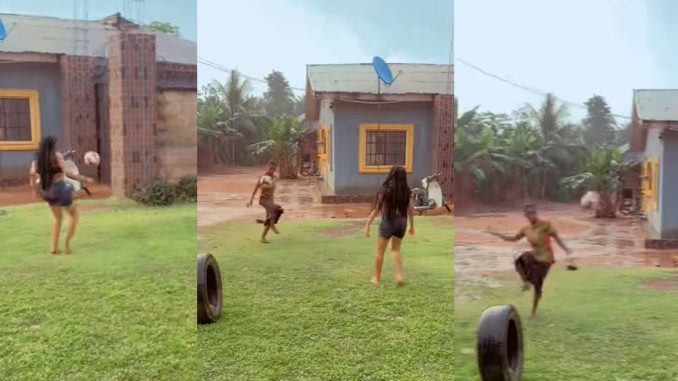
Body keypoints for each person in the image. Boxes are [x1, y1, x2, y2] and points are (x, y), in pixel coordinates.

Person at [496, 203, 572, 319]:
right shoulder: (526, 229)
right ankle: (526, 282)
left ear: (536, 213)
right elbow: (515, 238)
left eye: (533, 213)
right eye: (529, 213)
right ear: (525, 215)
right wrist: (501, 236)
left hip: (546, 259)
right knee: (519, 259)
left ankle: (534, 311)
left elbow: (556, 237)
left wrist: (566, 249)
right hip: (535, 257)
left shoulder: (545, 225)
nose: (531, 215)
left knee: (538, 285)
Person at [28, 136, 94, 255]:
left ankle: (54, 248)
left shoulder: (37, 159)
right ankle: (67, 246)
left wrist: (35, 191)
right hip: (60, 189)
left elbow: (32, 175)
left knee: (57, 220)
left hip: (47, 192)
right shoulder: (57, 156)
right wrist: (84, 178)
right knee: (74, 215)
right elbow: (67, 173)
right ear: (52, 146)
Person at [364, 165, 415, 286]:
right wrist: (411, 226)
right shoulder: (406, 191)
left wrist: (367, 224)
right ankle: (399, 275)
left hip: (388, 222)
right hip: (402, 222)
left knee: (380, 252)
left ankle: (376, 278)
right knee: (396, 250)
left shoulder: (385, 190)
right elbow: (410, 210)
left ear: (391, 175)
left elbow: (377, 209)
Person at [246, 160, 284, 243]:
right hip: (263, 200)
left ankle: (263, 238)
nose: (272, 170)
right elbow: (255, 189)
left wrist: (272, 200)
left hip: (270, 200)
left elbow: (272, 191)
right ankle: (272, 225)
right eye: (270, 168)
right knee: (272, 212)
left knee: (276, 212)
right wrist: (251, 201)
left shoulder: (275, 177)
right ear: (268, 168)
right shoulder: (263, 177)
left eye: (274, 169)